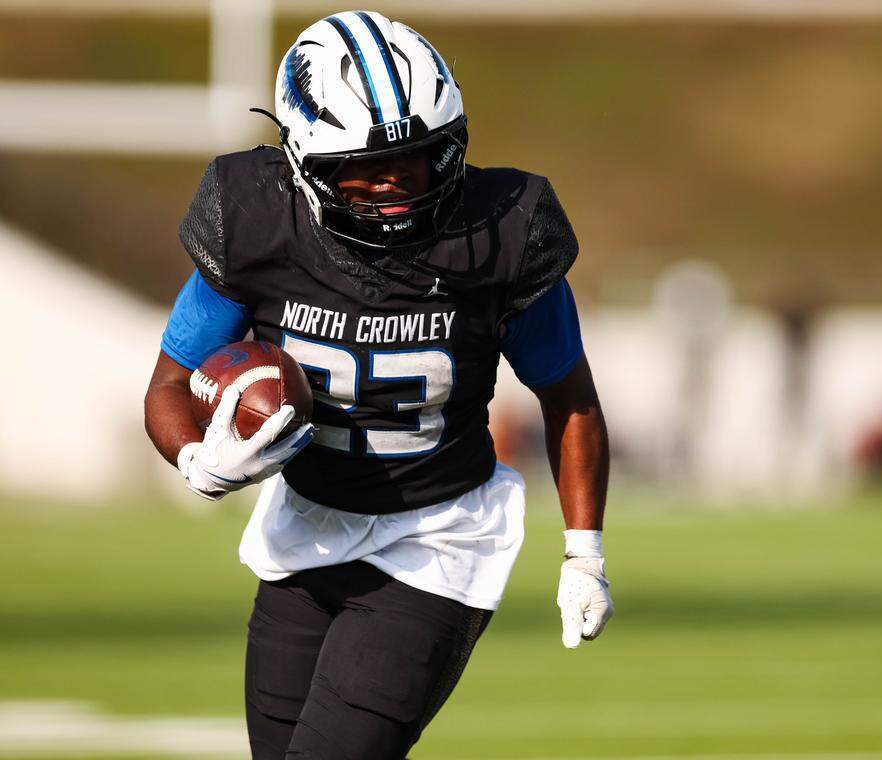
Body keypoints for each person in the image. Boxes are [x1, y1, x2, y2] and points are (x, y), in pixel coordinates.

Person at [142, 11, 613, 759]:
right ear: (303, 163)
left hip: (439, 535)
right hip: (308, 524)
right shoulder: (258, 220)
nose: (393, 182)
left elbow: (569, 398)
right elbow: (169, 385)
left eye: (418, 158)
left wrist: (583, 552)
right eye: (361, 167)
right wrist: (197, 462)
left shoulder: (502, 234)